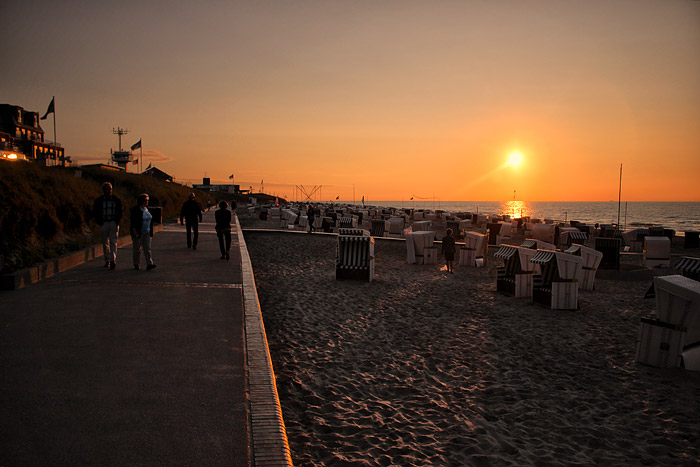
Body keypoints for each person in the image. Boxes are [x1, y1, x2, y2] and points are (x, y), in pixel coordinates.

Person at [93, 181, 123, 270]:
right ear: (103, 190)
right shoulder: (99, 201)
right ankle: (107, 260)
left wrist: (117, 221)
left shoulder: (116, 200)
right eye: (106, 189)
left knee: (113, 242)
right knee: (105, 242)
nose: (108, 191)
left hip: (113, 222)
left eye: (109, 189)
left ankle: (113, 260)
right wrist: (99, 222)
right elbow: (96, 212)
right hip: (104, 223)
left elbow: (120, 211)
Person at [130, 193, 156, 270]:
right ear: (141, 201)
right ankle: (136, 263)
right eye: (146, 200)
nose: (147, 202)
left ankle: (149, 263)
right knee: (137, 249)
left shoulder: (147, 209)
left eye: (148, 200)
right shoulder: (136, 210)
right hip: (139, 231)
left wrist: (151, 232)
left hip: (147, 232)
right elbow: (133, 221)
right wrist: (134, 230)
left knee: (147, 248)